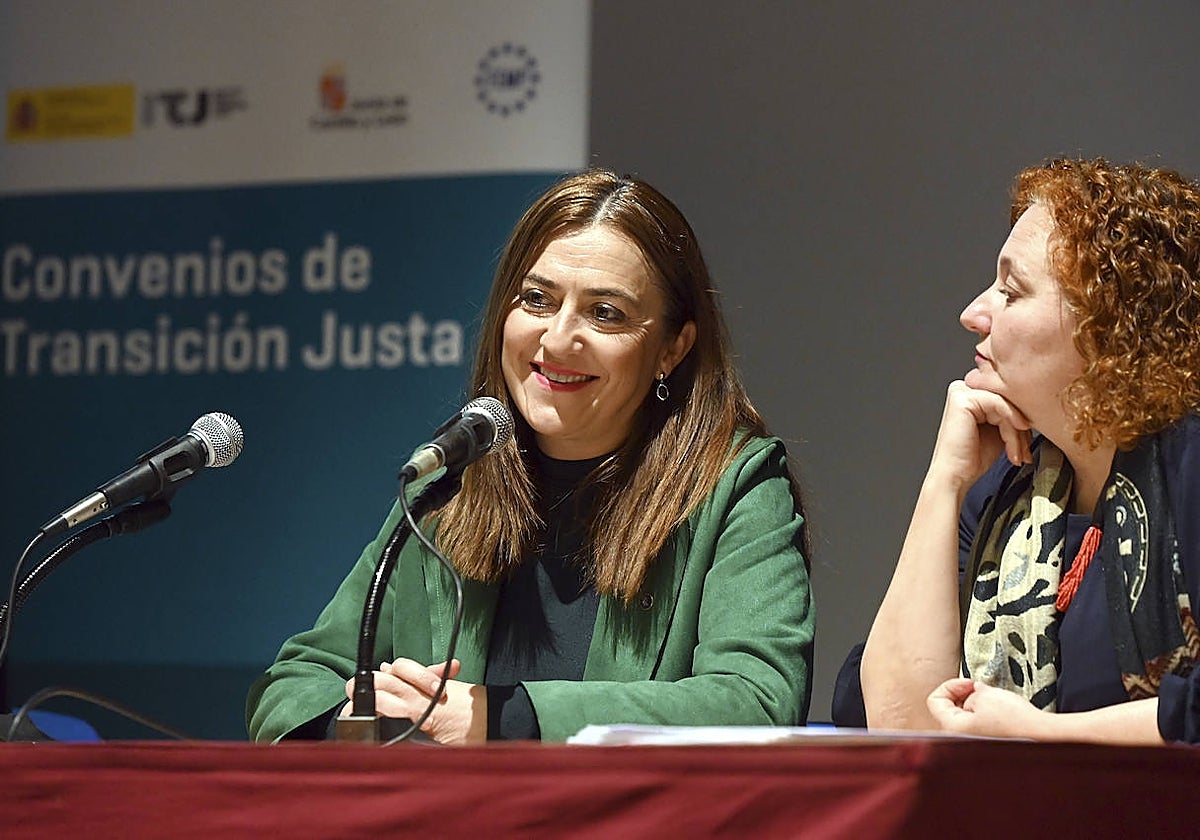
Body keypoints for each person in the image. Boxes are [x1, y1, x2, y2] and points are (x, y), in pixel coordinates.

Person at [247, 169, 814, 744]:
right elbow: (294, 684)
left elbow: (758, 702)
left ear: (672, 347)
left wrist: (498, 720)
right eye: (537, 300)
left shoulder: (736, 485)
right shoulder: (449, 483)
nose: (557, 339)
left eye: (605, 313)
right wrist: (373, 726)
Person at [856, 158, 1200, 744]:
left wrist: (1045, 736)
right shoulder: (1008, 490)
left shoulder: (1188, 467)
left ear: (1106, 328)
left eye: (1011, 292)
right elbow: (900, 720)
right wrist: (945, 481)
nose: (973, 314)